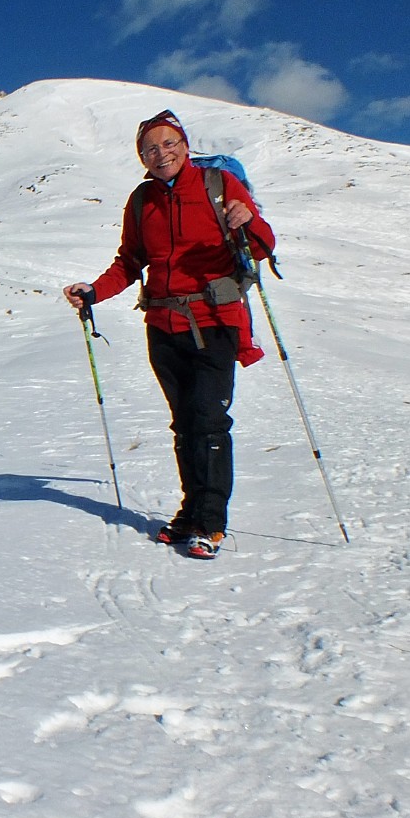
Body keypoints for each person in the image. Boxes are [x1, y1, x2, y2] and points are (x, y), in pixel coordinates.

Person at [64, 110, 275, 559]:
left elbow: (261, 247)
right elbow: (129, 261)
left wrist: (247, 220)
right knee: (185, 423)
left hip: (216, 322)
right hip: (162, 326)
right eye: (150, 148)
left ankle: (212, 523)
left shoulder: (219, 186)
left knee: (209, 420)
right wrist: (94, 292)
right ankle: (189, 513)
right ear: (142, 156)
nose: (161, 154)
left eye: (168, 143)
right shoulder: (142, 201)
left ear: (184, 144)